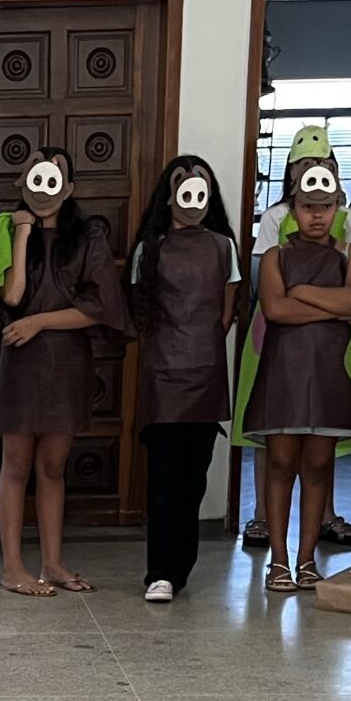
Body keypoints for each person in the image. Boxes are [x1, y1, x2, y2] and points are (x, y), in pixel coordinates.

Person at [0, 146, 129, 595]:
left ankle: (52, 563)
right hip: (21, 363)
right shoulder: (5, 230)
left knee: (52, 466)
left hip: (66, 363)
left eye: (53, 181)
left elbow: (99, 307)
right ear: (22, 182)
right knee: (15, 464)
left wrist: (40, 322)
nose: (44, 190)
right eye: (35, 178)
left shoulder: (88, 237)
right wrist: (22, 232)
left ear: (68, 189)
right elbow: (12, 297)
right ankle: (13, 568)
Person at [244, 155, 351, 593]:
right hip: (284, 369)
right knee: (281, 461)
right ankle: (279, 560)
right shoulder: (275, 256)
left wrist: (303, 292)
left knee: (318, 464)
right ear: (293, 208)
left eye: (326, 207)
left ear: (338, 207)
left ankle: (307, 558)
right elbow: (275, 310)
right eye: (307, 207)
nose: (317, 216)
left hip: (331, 371)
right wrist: (330, 306)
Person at [128, 155, 240, 602]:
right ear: (170, 195)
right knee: (164, 478)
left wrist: (202, 347)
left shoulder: (224, 247)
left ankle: (180, 569)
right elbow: (141, 310)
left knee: (193, 479)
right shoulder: (149, 248)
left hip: (206, 376)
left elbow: (228, 310)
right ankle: (160, 572)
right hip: (163, 378)